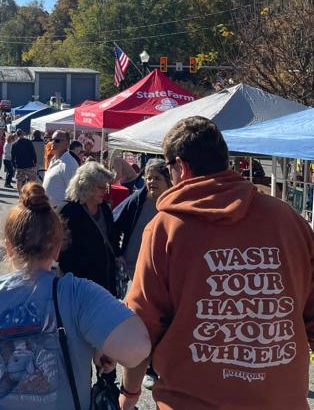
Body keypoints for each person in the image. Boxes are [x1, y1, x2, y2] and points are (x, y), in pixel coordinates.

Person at [120, 117, 314, 410]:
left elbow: (143, 324)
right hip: (280, 400)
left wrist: (129, 393)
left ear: (180, 168)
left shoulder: (166, 228)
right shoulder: (288, 220)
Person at [0, 183, 150, 407]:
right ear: (56, 249)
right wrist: (101, 344)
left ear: (8, 247)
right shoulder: (79, 295)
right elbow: (137, 349)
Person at [56, 162, 118, 296]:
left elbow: (112, 238)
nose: (105, 191)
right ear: (86, 186)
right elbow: (60, 250)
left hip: (104, 285)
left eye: (106, 187)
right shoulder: (67, 210)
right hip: (78, 286)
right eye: (101, 187)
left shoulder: (105, 209)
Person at [112, 159, 172, 280]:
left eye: (157, 178)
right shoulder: (137, 200)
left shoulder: (174, 203)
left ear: (168, 181)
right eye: (148, 178)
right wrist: (117, 253)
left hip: (162, 271)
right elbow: (113, 224)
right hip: (133, 267)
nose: (151, 182)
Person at [42, 130, 79, 208]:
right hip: (49, 210)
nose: (53, 142)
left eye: (57, 140)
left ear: (67, 143)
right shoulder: (54, 159)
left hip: (60, 212)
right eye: (51, 140)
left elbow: (74, 193)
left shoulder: (69, 164)